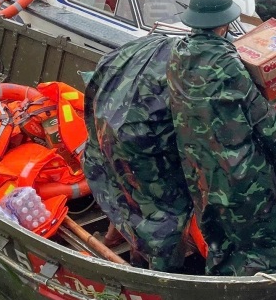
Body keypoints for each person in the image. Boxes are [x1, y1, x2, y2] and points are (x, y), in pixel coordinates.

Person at [166, 0, 276, 276]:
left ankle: (220, 283)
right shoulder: (228, 64)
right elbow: (264, 120)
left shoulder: (177, 56)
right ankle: (268, 288)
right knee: (270, 244)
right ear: (223, 24)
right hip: (240, 175)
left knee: (220, 241)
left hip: (199, 173)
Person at [81, 34, 194, 271]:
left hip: (103, 150)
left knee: (124, 199)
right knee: (166, 220)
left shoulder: (135, 50)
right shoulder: (190, 70)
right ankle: (158, 276)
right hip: (137, 154)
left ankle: (118, 242)